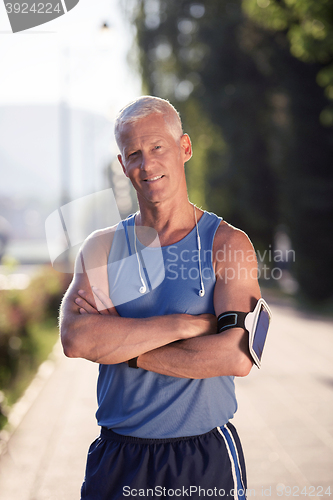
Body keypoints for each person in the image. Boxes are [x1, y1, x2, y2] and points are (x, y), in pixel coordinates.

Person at [59, 96, 261, 500]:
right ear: (122, 165)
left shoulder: (228, 245)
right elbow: (77, 340)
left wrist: (124, 349)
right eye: (133, 153)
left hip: (203, 455)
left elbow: (237, 356)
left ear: (184, 148)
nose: (146, 165)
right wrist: (183, 326)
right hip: (118, 455)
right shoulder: (101, 248)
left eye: (157, 148)